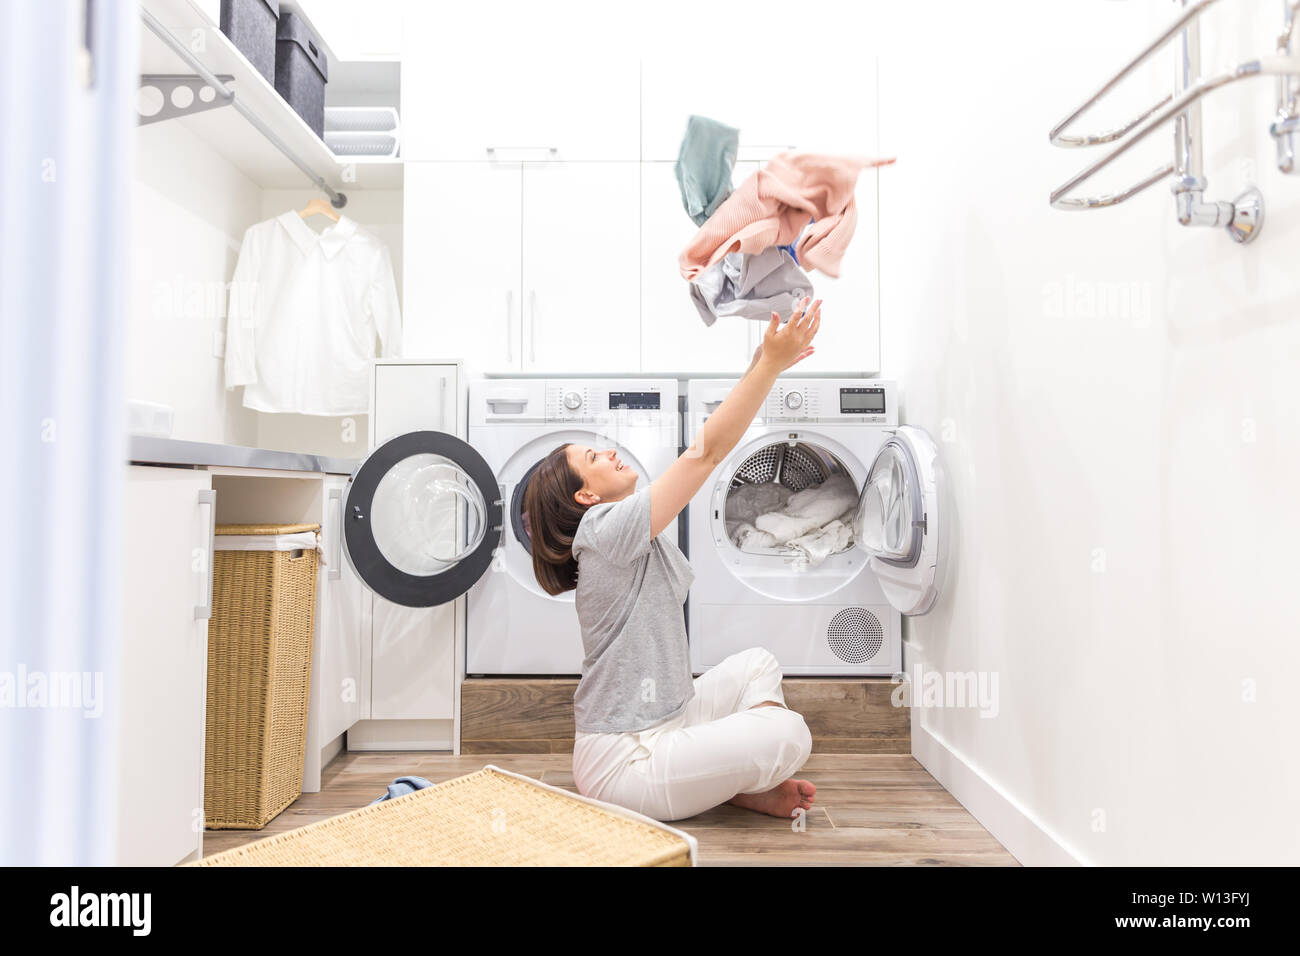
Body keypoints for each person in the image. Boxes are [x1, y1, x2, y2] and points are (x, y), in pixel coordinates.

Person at [524, 297, 823, 823]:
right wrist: (772, 367)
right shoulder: (603, 530)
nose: (611, 452)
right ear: (585, 498)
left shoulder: (629, 529)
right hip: (626, 761)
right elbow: (704, 455)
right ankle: (739, 777)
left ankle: (732, 780)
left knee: (758, 663)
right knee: (788, 733)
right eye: (594, 459)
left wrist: (760, 363)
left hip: (669, 718)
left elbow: (707, 447)